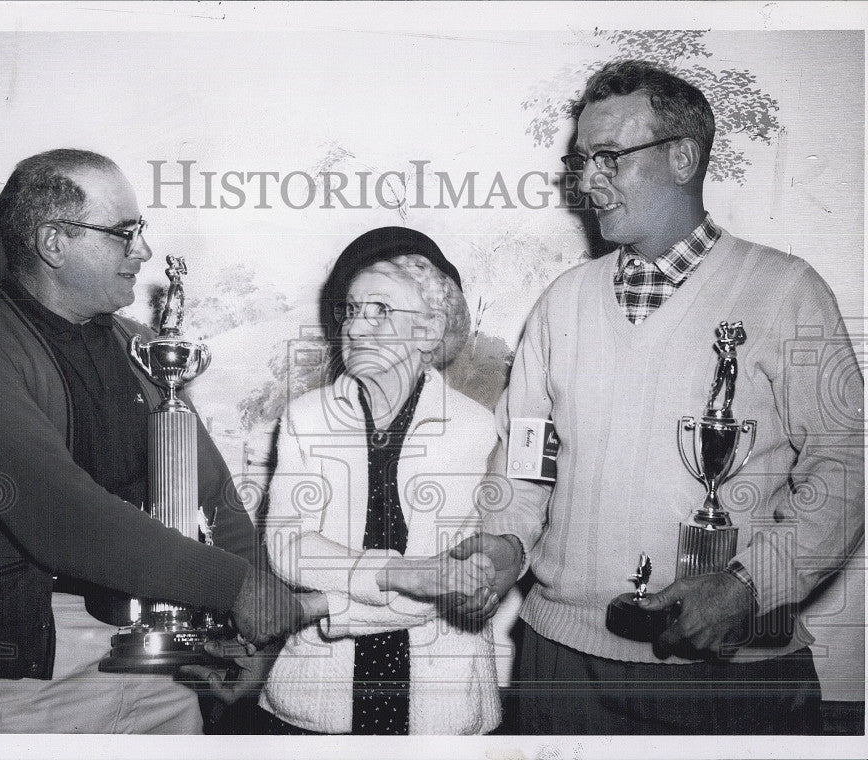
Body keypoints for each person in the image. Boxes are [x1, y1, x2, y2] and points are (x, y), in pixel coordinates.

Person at [451, 60, 864, 734]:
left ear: (682, 157)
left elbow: (847, 466)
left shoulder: (787, 291)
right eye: (583, 160)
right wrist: (502, 546)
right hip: (559, 664)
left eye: (610, 157)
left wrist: (748, 586)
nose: (588, 182)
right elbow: (525, 463)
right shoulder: (563, 304)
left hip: (732, 671)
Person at [0, 149, 317, 733]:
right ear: (54, 242)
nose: (143, 252)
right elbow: (61, 517)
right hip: (30, 681)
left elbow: (214, 496)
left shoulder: (142, 346)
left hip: (165, 671)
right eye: (124, 233)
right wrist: (238, 587)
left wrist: (250, 643)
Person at [255, 227, 503, 734]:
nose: (357, 327)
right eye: (351, 309)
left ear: (430, 331)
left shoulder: (475, 428)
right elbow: (288, 548)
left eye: (382, 310)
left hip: (442, 708)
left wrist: (319, 606)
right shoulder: (306, 417)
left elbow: (450, 589)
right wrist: (396, 573)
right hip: (317, 705)